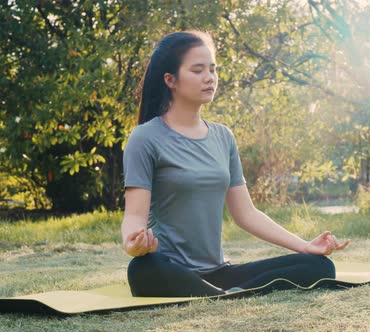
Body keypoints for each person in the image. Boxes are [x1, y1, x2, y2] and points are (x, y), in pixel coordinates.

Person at [122, 30, 350, 297]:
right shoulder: (145, 138)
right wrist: (133, 244)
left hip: (219, 272)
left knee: (318, 266)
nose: (209, 78)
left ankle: (222, 294)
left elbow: (246, 214)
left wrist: (304, 246)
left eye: (212, 69)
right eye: (197, 70)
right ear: (170, 79)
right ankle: (227, 294)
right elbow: (135, 216)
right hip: (168, 268)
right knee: (142, 268)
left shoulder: (222, 136)